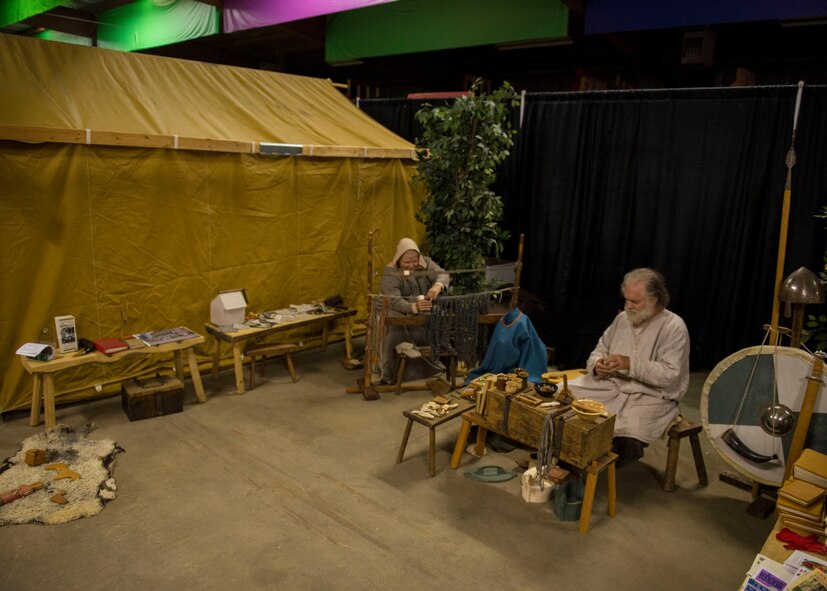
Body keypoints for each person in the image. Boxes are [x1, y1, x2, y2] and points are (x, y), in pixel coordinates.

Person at [568, 268, 690, 466]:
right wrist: (598, 366)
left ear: (655, 299)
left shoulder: (674, 326)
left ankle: (605, 461)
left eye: (635, 301)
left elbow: (670, 374)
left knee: (630, 429)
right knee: (565, 394)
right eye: (627, 300)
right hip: (612, 385)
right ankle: (569, 448)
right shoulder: (622, 319)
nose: (628, 306)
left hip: (651, 394)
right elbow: (599, 350)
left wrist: (630, 364)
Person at [377, 238, 450, 384]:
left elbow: (443, 274)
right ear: (398, 259)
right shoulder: (390, 272)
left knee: (436, 318)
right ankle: (391, 372)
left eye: (414, 261)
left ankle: (434, 362)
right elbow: (393, 300)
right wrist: (413, 307)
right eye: (406, 262)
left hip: (419, 305)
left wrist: (438, 285)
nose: (411, 265)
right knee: (397, 329)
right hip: (392, 309)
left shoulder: (426, 263)